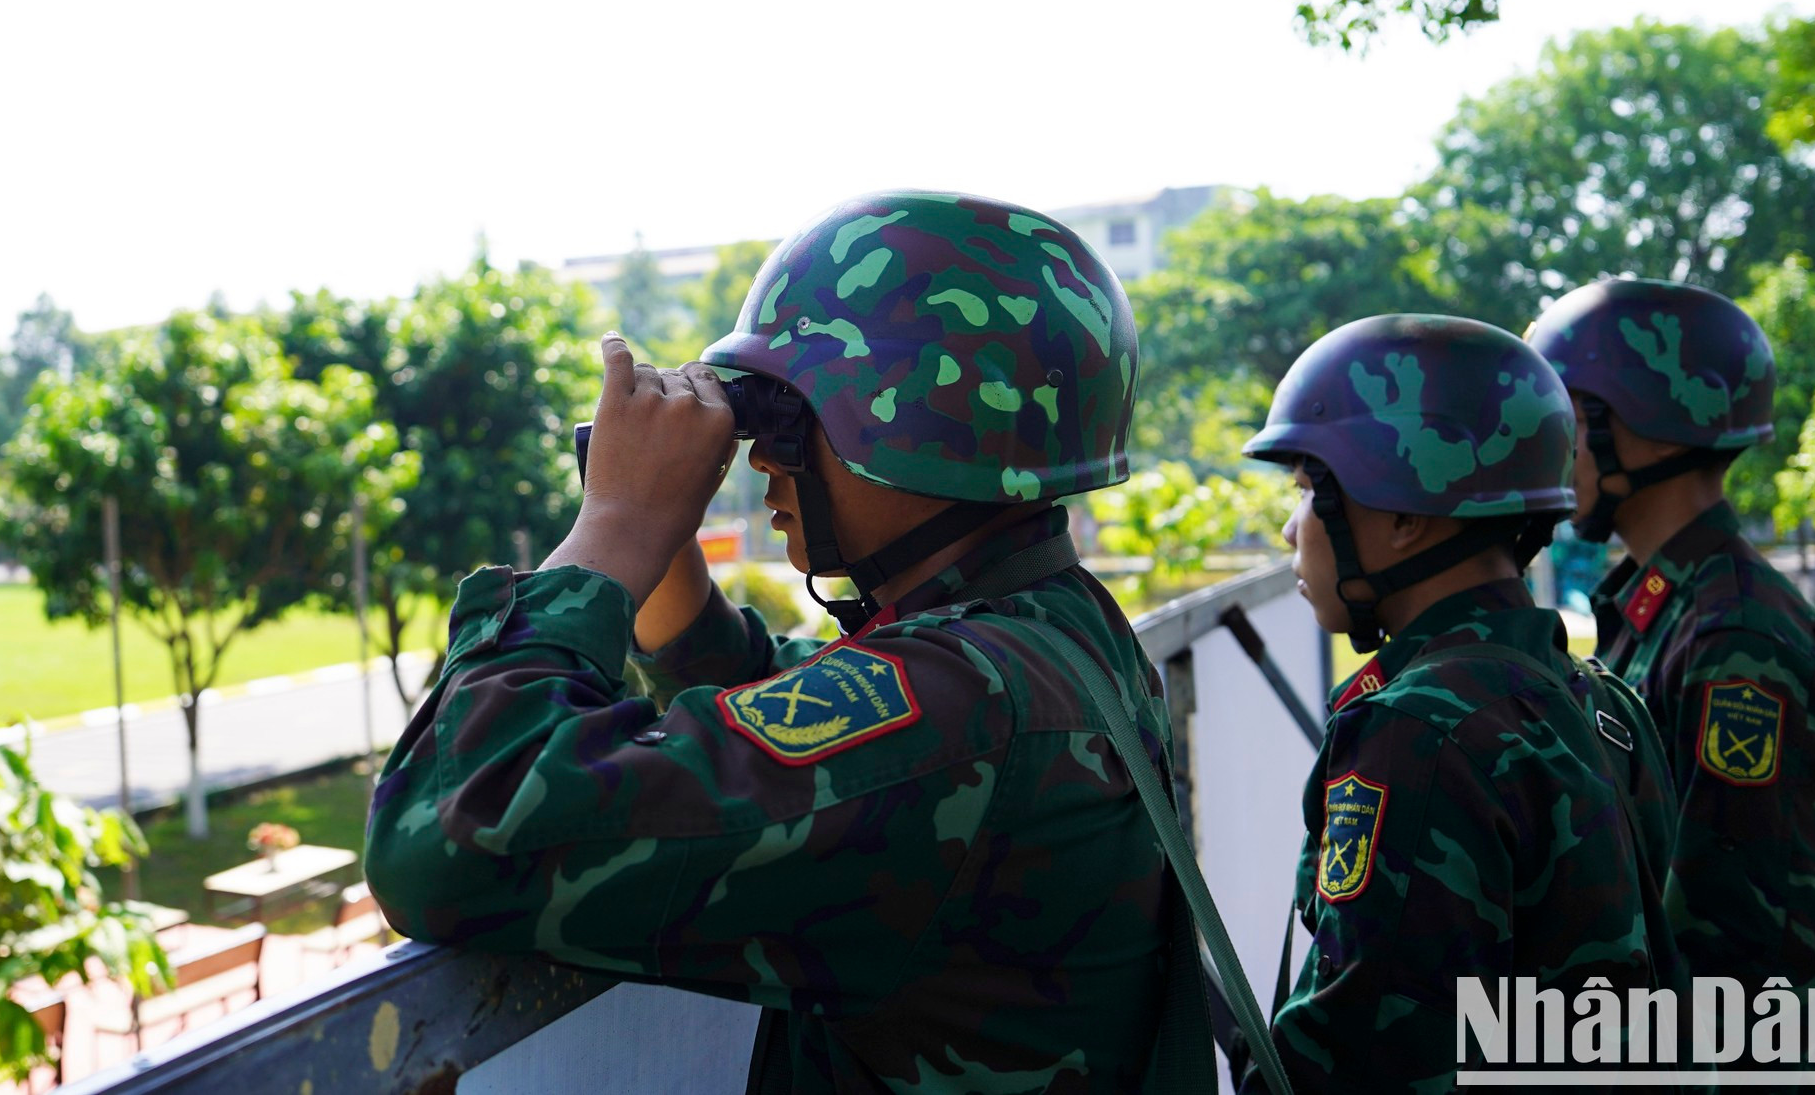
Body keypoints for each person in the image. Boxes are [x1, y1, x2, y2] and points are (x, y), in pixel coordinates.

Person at [364, 191, 1199, 1093]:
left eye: (791, 416)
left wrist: (610, 532)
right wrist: (668, 561)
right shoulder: (1057, 629)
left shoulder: (971, 708)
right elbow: (798, 709)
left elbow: (453, 832)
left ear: (907, 422)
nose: (763, 456)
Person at [1240, 314, 1684, 1089]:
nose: (1290, 528)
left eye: (1310, 489)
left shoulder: (1419, 733)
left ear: (1405, 515)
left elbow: (1361, 1056)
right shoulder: (1599, 700)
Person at [1527, 278, 1815, 995]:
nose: (1546, 448)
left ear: (1638, 425)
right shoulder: (1664, 611)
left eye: (1566, 419)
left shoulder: (1737, 645)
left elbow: (1749, 963)